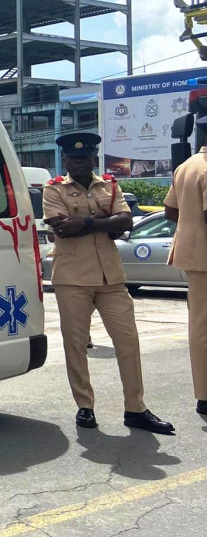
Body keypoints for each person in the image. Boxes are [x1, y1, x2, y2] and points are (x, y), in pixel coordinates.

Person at [42, 132, 174, 433]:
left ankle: (136, 408)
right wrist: (105, 221)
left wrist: (87, 223)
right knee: (76, 346)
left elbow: (126, 222)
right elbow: (62, 230)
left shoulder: (110, 185)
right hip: (72, 278)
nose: (79, 162)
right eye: (74, 158)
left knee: (128, 342)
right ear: (66, 160)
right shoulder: (53, 190)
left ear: (93, 158)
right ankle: (85, 406)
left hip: (111, 278)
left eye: (84, 157)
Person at [162, 126, 207, 416]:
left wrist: (190, 227)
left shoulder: (187, 166)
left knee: (200, 325)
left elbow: (170, 210)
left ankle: (204, 393)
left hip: (194, 255)